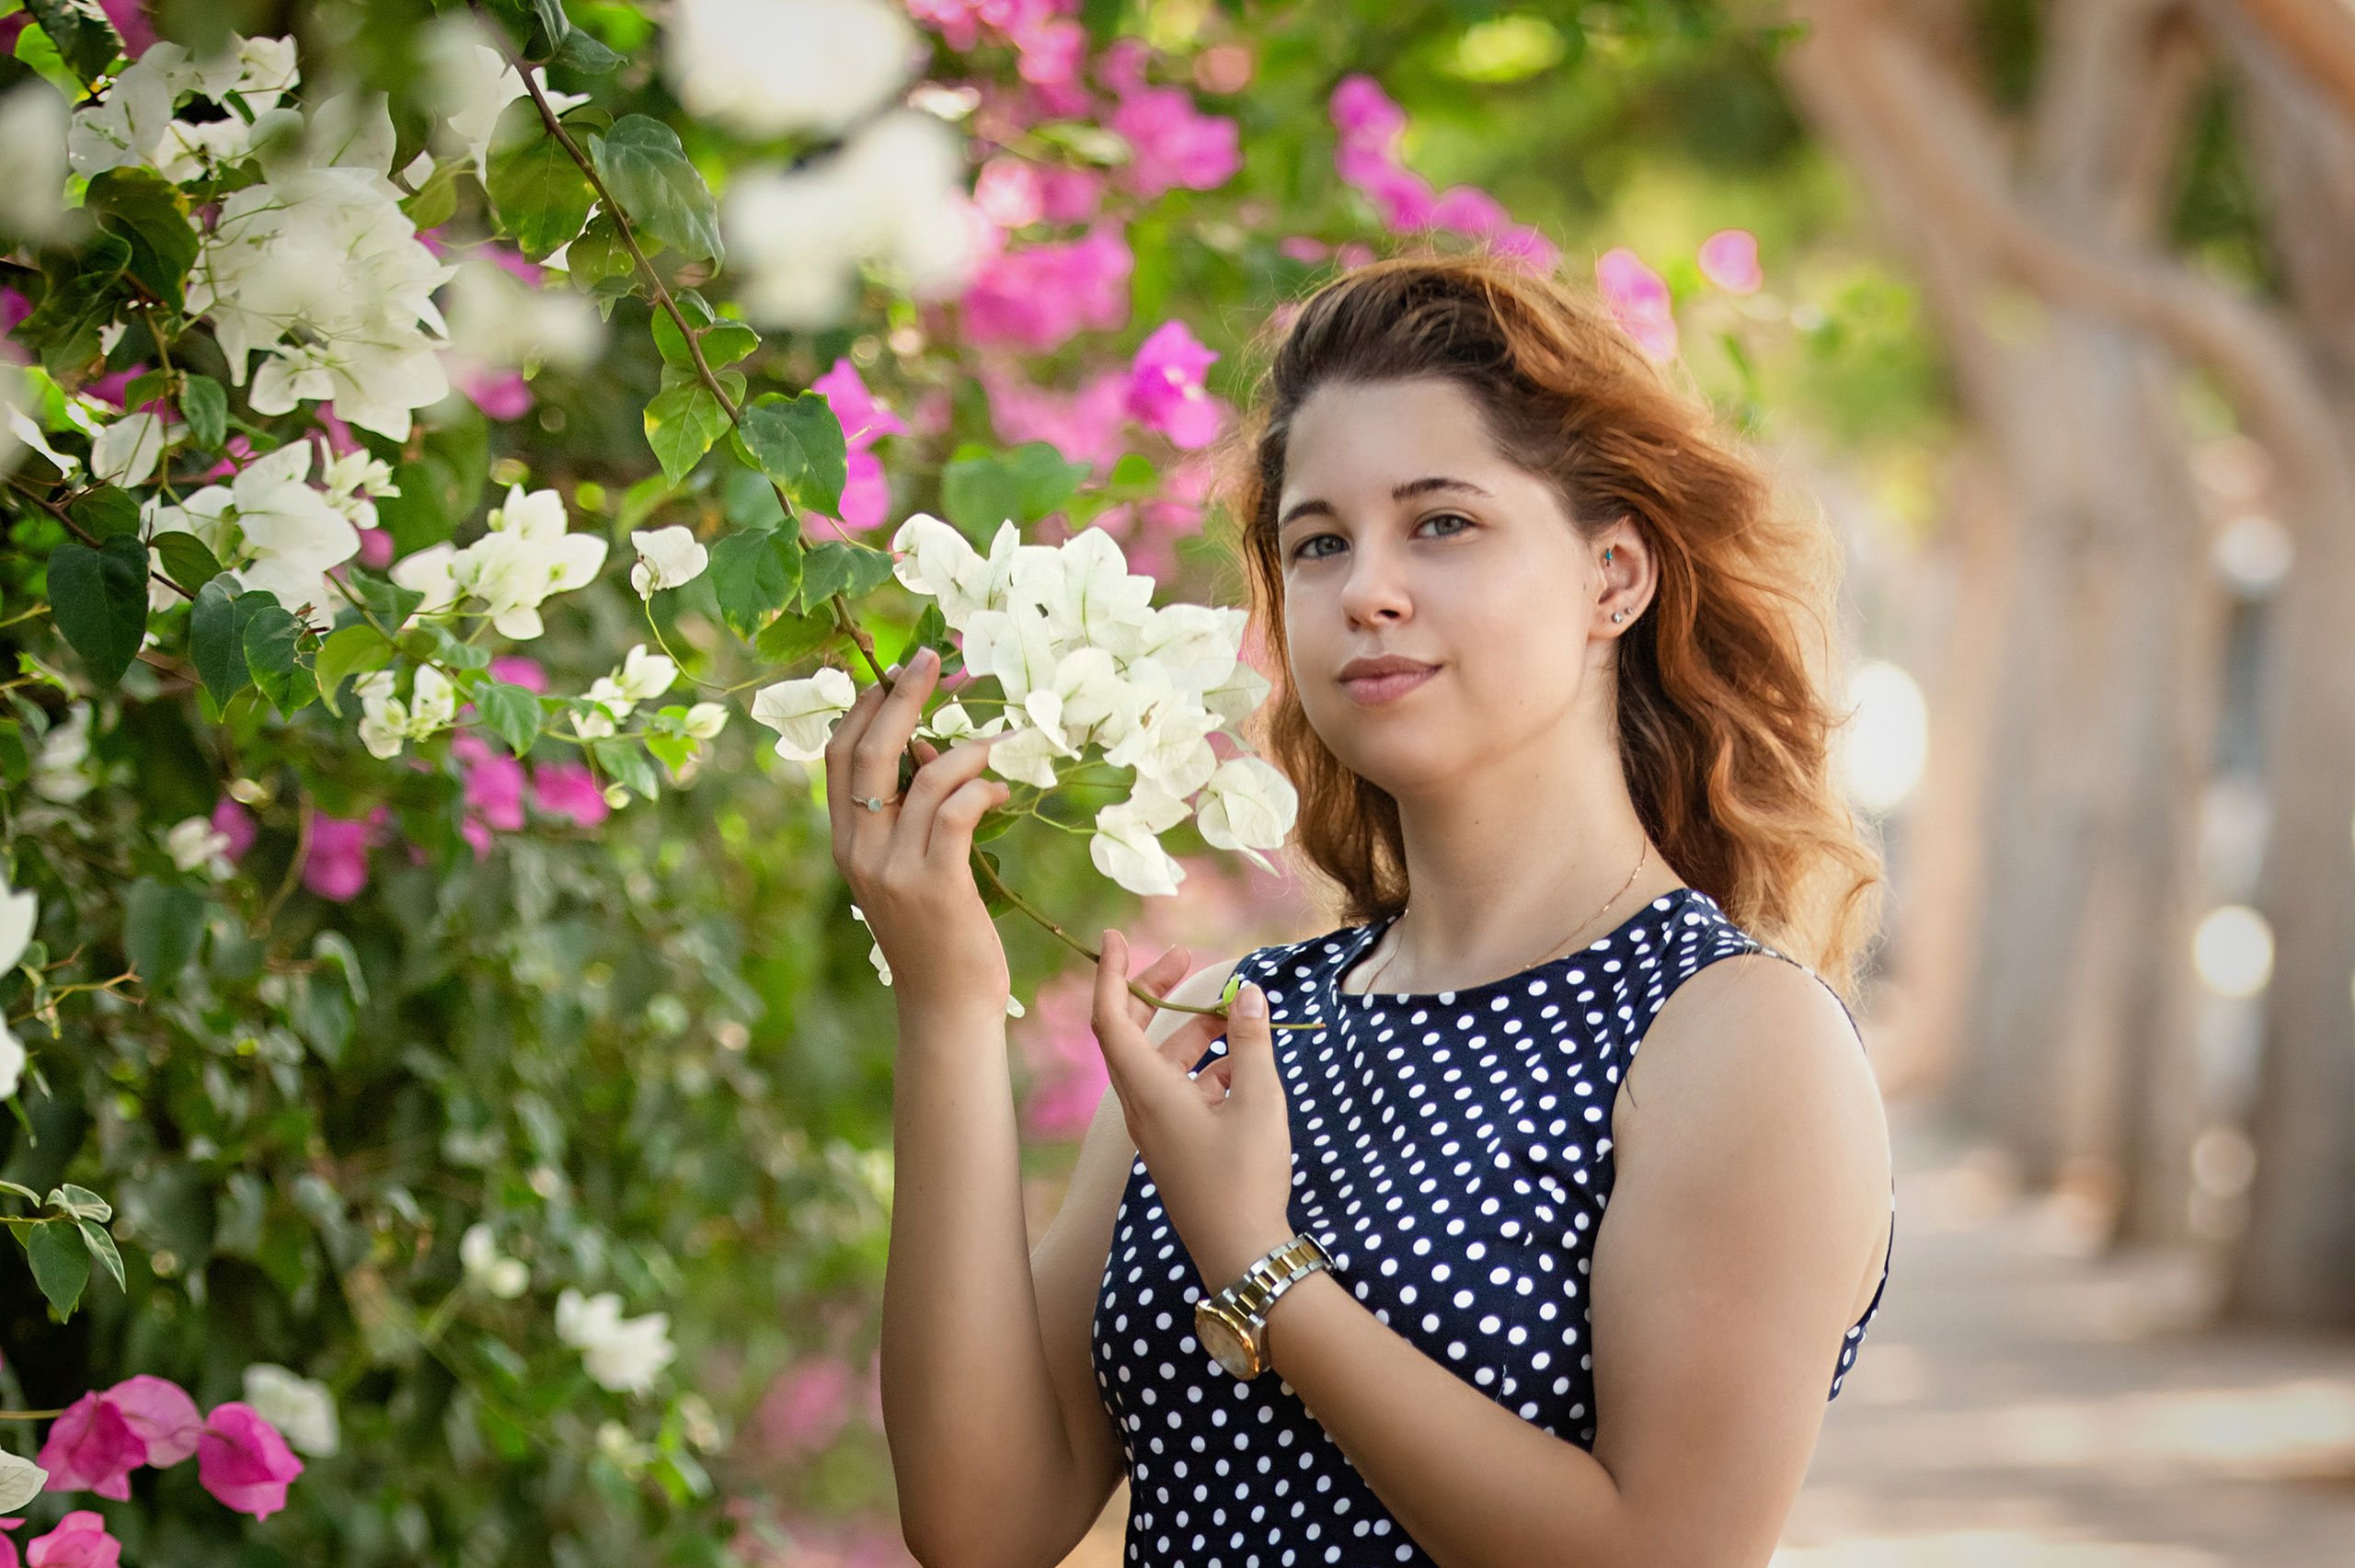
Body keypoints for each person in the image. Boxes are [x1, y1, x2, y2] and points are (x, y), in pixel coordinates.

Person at [829, 253, 1894, 1568]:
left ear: (1613, 578)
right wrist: (943, 994)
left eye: (1440, 522)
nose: (1366, 589)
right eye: (1319, 542)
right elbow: (981, 1524)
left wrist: (1261, 1265)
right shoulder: (1235, 1027)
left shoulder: (1732, 1035)